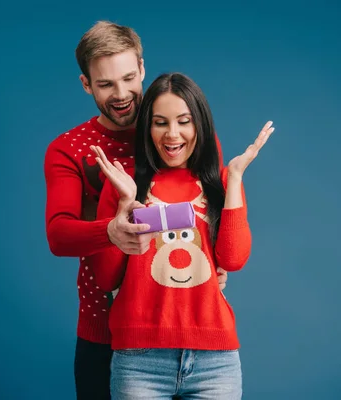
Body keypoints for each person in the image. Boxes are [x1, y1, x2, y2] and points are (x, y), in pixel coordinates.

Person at [43, 21, 228, 399]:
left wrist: (216, 262)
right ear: (86, 85)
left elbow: (216, 213)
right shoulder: (69, 149)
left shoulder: (187, 137)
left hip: (183, 329)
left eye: (129, 78)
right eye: (106, 83)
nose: (122, 93)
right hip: (103, 328)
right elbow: (59, 235)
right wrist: (109, 231)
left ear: (142, 69)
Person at [89, 72, 275, 399]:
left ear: (199, 125)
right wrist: (123, 207)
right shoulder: (123, 185)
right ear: (147, 128)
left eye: (184, 121)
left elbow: (233, 259)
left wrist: (234, 178)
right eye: (160, 122)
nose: (172, 134)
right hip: (138, 359)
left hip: (214, 361)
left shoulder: (221, 184)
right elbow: (106, 278)